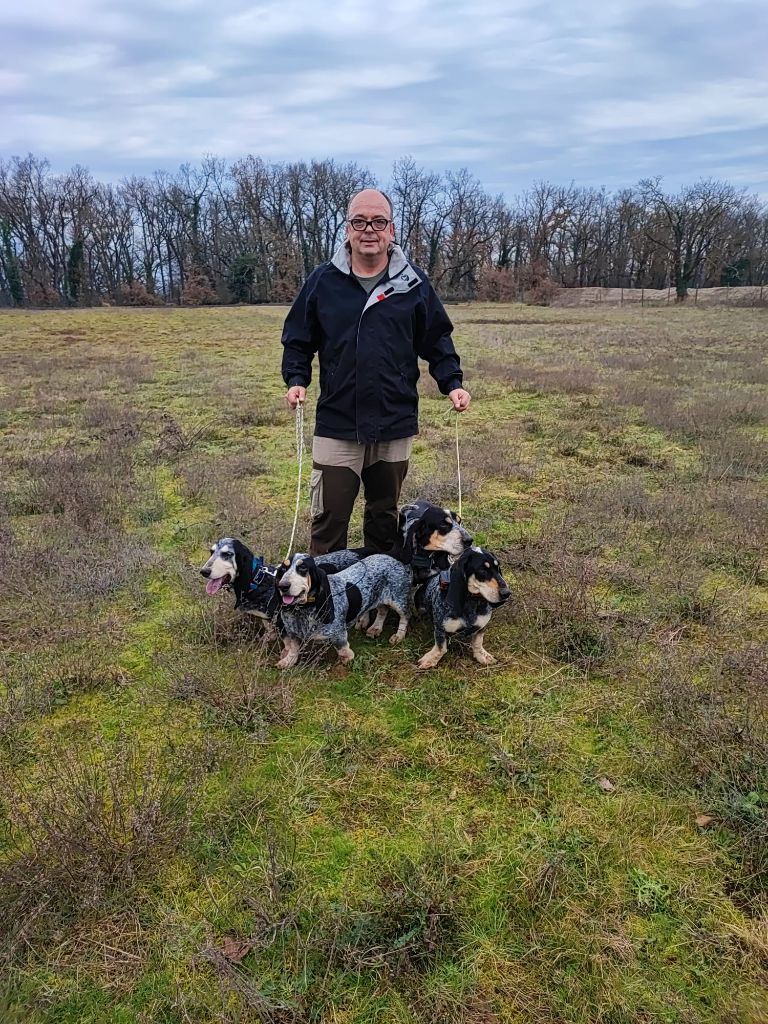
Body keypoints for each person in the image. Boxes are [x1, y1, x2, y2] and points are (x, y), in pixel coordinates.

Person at [281, 188, 471, 555]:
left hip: (394, 421)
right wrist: (296, 379)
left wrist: (453, 384)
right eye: (359, 221)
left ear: (392, 229)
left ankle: (381, 603)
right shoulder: (323, 282)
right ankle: (325, 606)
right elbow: (298, 338)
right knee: (328, 518)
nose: (369, 229)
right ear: (348, 229)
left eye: (378, 221)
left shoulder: (413, 283)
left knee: (384, 518)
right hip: (337, 421)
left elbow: (437, 339)